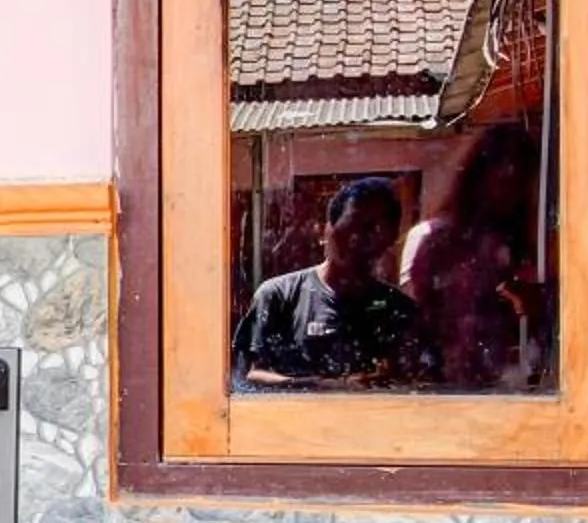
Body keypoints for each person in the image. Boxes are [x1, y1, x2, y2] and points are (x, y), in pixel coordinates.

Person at [232, 177, 436, 388]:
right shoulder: (278, 296)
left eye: (374, 228)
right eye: (352, 223)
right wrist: (330, 386)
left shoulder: (400, 311)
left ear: (391, 239)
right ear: (325, 228)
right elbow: (248, 378)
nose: (358, 238)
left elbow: (420, 384)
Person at [401, 125, 548, 391]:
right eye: (501, 173)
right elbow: (414, 325)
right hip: (447, 390)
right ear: (476, 175)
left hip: (510, 390)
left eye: (520, 179)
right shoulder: (432, 240)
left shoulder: (524, 248)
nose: (509, 187)